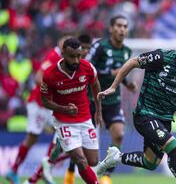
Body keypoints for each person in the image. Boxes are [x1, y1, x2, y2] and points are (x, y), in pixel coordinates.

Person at [96, 27, 176, 184]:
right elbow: (133, 62)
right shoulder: (162, 57)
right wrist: (114, 86)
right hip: (145, 114)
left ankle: (116, 157)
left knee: (150, 162)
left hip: (165, 120)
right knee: (174, 147)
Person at [22, 33, 94, 184]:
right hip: (61, 112)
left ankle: (38, 174)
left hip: (81, 112)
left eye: (88, 48)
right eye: (84, 48)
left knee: (73, 151)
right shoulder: (56, 60)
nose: (86, 52)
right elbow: (39, 78)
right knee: (71, 149)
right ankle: (38, 173)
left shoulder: (85, 64)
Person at [6, 34, 71, 184]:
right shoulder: (54, 55)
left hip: (49, 105)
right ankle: (17, 170)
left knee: (62, 135)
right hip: (39, 104)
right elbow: (38, 78)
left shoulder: (66, 58)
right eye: (64, 42)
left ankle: (41, 171)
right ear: (59, 42)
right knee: (34, 137)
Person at [40, 37, 103, 184]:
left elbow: (96, 86)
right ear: (62, 54)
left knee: (93, 161)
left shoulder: (87, 68)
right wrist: (64, 109)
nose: (76, 60)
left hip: (85, 118)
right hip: (64, 121)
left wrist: (98, 111)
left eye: (78, 56)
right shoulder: (50, 74)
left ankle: (59, 148)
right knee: (80, 160)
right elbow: (45, 101)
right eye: (72, 56)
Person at [86, 15, 137, 184]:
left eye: (125, 26)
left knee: (119, 134)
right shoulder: (100, 46)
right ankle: (73, 175)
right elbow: (85, 69)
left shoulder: (127, 52)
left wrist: (128, 84)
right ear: (111, 28)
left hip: (113, 101)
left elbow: (120, 75)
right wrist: (110, 73)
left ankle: (106, 176)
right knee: (86, 142)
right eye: (119, 26)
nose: (122, 29)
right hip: (92, 100)